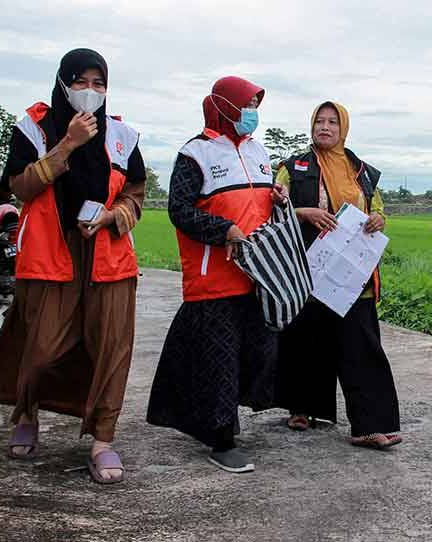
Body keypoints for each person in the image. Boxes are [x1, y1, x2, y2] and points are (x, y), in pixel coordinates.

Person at [0, 48, 145, 484]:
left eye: (98, 83)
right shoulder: (34, 129)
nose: (90, 91)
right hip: (50, 254)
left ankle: (103, 440)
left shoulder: (123, 136)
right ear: (63, 83)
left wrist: (112, 217)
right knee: (40, 345)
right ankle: (27, 412)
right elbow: (21, 187)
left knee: (111, 347)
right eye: (80, 82)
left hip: (107, 254)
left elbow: (134, 194)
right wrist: (68, 143)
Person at [146, 76, 287, 474]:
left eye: (256, 105)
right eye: (246, 105)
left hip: (257, 275)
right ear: (224, 106)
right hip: (215, 276)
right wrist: (223, 230)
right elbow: (179, 210)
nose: (252, 113)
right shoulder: (196, 153)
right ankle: (221, 439)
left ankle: (217, 416)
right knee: (220, 361)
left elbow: (259, 202)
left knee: (260, 353)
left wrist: (278, 198)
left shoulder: (258, 151)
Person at [274, 101, 401, 450]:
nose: (325, 127)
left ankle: (370, 425)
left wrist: (378, 220)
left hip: (353, 274)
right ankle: (302, 408)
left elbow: (376, 208)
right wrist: (304, 212)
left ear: (343, 128)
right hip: (307, 269)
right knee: (305, 339)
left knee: (361, 345)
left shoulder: (361, 171)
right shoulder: (292, 168)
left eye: (332, 122)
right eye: (319, 121)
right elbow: (271, 208)